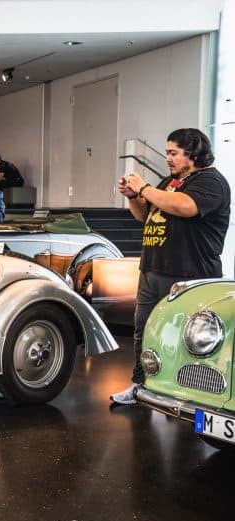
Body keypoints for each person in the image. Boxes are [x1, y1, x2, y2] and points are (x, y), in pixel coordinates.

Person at [110, 128, 231, 404]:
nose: (168, 158)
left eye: (174, 153)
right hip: (153, 269)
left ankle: (191, 394)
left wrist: (144, 188)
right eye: (167, 153)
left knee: (190, 339)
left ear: (194, 154)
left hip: (190, 274)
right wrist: (134, 196)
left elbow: (185, 206)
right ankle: (140, 385)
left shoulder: (211, 182)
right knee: (144, 332)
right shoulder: (169, 181)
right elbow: (145, 215)